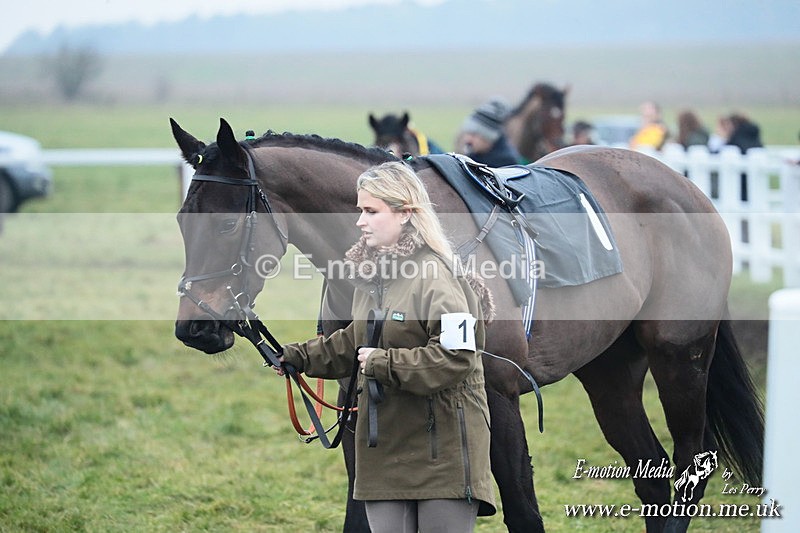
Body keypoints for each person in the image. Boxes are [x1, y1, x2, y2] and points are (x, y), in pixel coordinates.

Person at [278, 161, 497, 531]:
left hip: (442, 450)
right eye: (360, 210)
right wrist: (297, 357)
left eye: (371, 211)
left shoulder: (439, 277)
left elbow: (456, 357)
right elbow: (356, 341)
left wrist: (382, 364)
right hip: (383, 450)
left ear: (407, 214)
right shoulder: (373, 276)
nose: (360, 222)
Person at [457, 97, 523, 167]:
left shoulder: (505, 162)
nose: (468, 139)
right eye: (468, 133)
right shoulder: (475, 154)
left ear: (489, 138)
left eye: (474, 135)